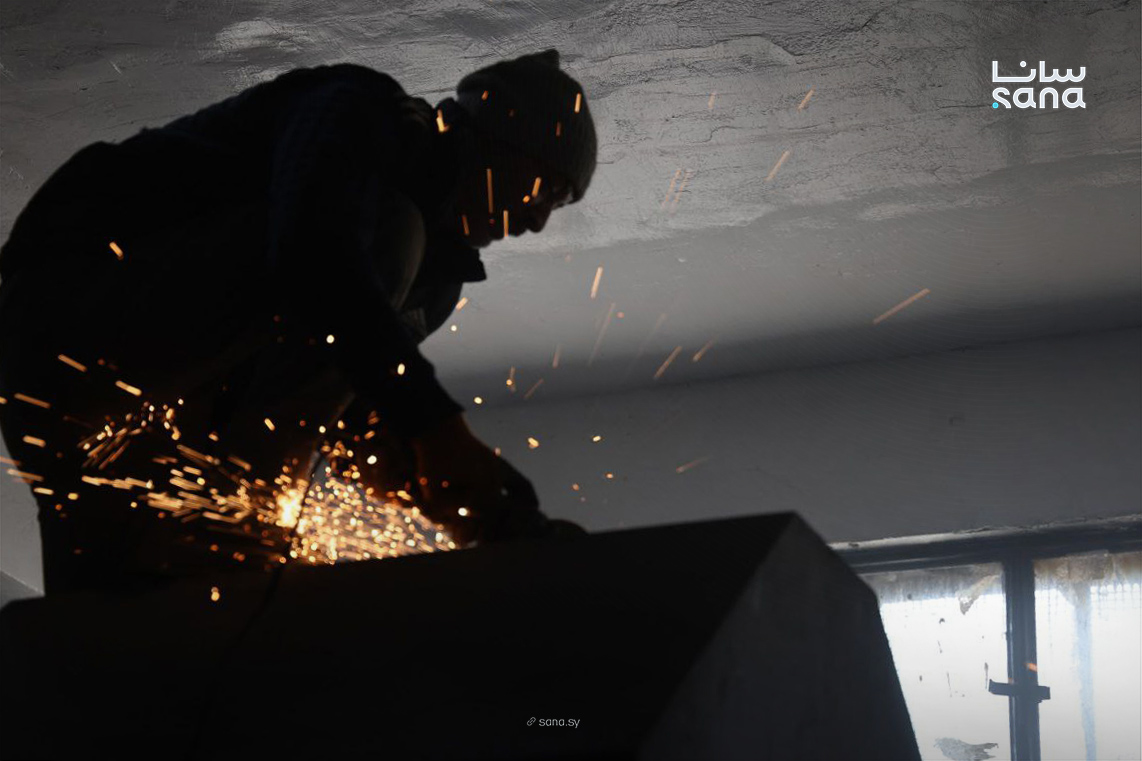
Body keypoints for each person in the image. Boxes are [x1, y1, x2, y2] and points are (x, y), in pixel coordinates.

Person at [0, 49, 597, 594]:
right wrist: (437, 428)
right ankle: (241, 522)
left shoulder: (432, 288)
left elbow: (346, 398)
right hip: (64, 321)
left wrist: (435, 480)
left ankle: (199, 542)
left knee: (117, 629)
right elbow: (315, 264)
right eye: (548, 188)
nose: (538, 222)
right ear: (498, 140)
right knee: (386, 234)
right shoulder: (361, 112)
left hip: (109, 432)